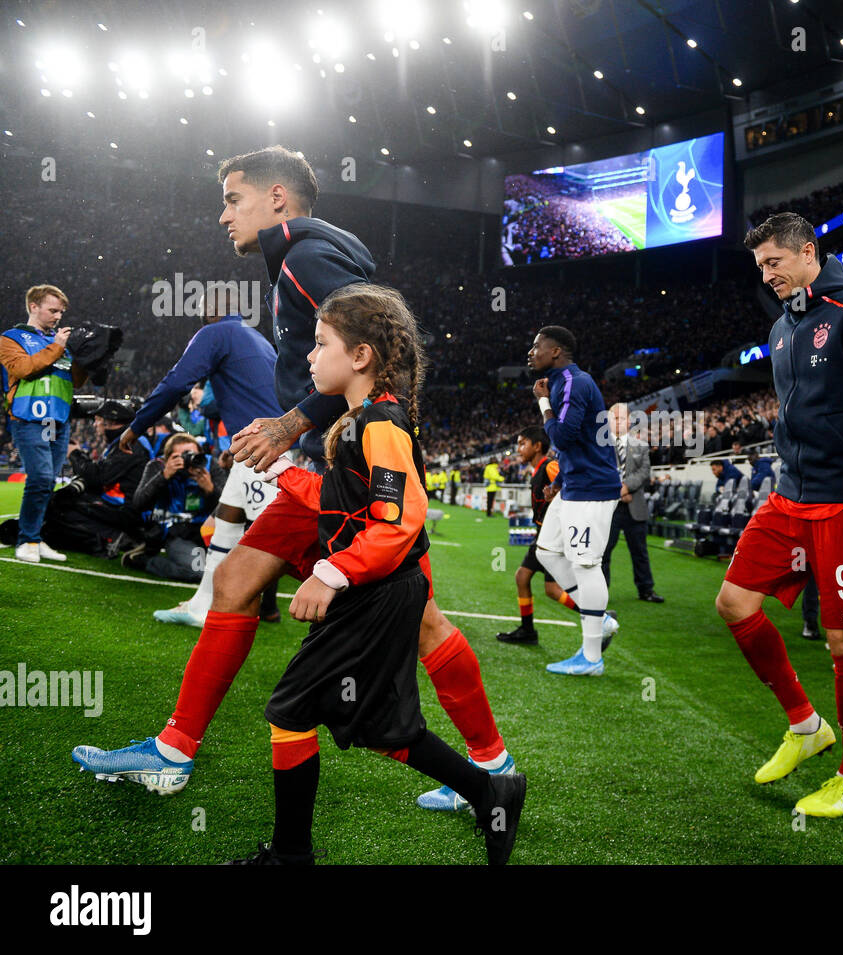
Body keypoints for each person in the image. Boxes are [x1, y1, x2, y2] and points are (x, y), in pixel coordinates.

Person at [73, 146, 515, 800]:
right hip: (327, 469)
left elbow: (371, 356)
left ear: (277, 197)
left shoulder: (306, 259)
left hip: (350, 474)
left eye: (232, 199)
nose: (223, 215)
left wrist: (290, 424)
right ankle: (174, 749)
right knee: (236, 579)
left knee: (422, 622)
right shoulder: (301, 259)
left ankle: (490, 766)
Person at [224, 284, 525, 865]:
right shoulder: (360, 421)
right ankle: (491, 791)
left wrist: (329, 574)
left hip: (376, 593)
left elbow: (399, 523)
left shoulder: (379, 423)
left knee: (290, 712)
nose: (308, 357)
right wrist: (283, 471)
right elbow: (346, 506)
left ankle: (291, 857)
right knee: (381, 726)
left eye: (320, 344)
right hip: (378, 592)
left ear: (360, 356)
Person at [716, 212, 843, 819]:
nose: (767, 275)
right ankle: (804, 724)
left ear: (808, 253)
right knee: (734, 602)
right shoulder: (780, 327)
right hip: (788, 494)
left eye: (775, 262)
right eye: (761, 266)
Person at [118, 289, 281, 627]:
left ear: (212, 310)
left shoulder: (215, 333)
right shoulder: (257, 338)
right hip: (260, 445)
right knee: (225, 527)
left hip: (263, 448)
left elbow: (176, 382)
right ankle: (203, 605)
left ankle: (326, 599)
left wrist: (137, 426)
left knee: (273, 533)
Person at [528, 325, 623, 675]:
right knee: (547, 551)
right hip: (574, 486)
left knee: (586, 564)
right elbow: (579, 442)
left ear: (556, 351)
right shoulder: (564, 382)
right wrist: (561, 481)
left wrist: (543, 405)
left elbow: (565, 436)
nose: (531, 351)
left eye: (537, 345)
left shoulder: (573, 381)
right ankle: (601, 619)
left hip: (592, 489)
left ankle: (592, 657)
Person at [495, 426, 618, 648]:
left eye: (523, 444)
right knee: (548, 588)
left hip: (551, 537)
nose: (518, 449)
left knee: (523, 577)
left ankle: (596, 618)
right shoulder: (538, 469)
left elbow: (570, 483)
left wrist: (558, 496)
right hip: (545, 534)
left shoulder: (550, 466)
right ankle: (598, 617)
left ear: (537, 446)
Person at [1, 285, 88, 563]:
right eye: (53, 310)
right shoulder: (10, 338)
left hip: (58, 418)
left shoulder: (59, 342)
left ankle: (36, 538)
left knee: (48, 481)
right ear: (33, 307)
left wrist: (87, 358)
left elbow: (76, 381)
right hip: (29, 417)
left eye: (61, 311)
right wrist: (58, 346)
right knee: (39, 477)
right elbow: (23, 369)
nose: (58, 316)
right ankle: (26, 540)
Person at [35, 399, 152, 557]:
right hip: (121, 505)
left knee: (59, 510)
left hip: (125, 509)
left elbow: (97, 477)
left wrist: (74, 453)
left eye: (97, 421)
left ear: (110, 422)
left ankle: (112, 538)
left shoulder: (130, 445)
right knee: (59, 502)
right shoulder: (125, 441)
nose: (94, 425)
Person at [127, 432, 224, 581]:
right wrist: (164, 475)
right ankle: (143, 560)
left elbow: (228, 508)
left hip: (205, 532)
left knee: (233, 570)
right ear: (169, 457)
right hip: (174, 532)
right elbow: (139, 503)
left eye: (194, 454)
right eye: (183, 455)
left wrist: (210, 489)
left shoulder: (210, 466)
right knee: (198, 572)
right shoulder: (158, 465)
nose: (190, 459)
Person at [601, 402, 664, 603]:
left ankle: (646, 589)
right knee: (603, 553)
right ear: (608, 421)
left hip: (634, 507)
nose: (618, 422)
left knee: (640, 552)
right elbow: (598, 474)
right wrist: (618, 492)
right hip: (607, 509)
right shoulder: (599, 447)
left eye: (621, 418)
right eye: (614, 418)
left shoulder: (641, 446)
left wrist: (625, 487)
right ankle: (600, 592)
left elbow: (644, 473)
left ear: (629, 420)